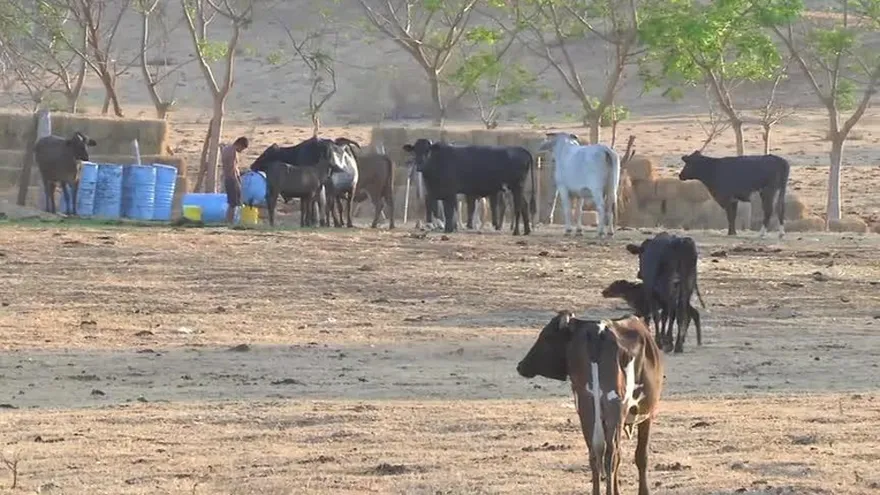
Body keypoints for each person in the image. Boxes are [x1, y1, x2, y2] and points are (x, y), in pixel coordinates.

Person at [221, 136, 249, 224]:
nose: (241, 151)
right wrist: (237, 181)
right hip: (232, 179)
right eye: (242, 148)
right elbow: (232, 168)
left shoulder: (226, 149)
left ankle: (228, 221)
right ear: (239, 144)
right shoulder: (233, 152)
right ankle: (230, 222)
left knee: (232, 202)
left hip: (227, 178)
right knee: (233, 203)